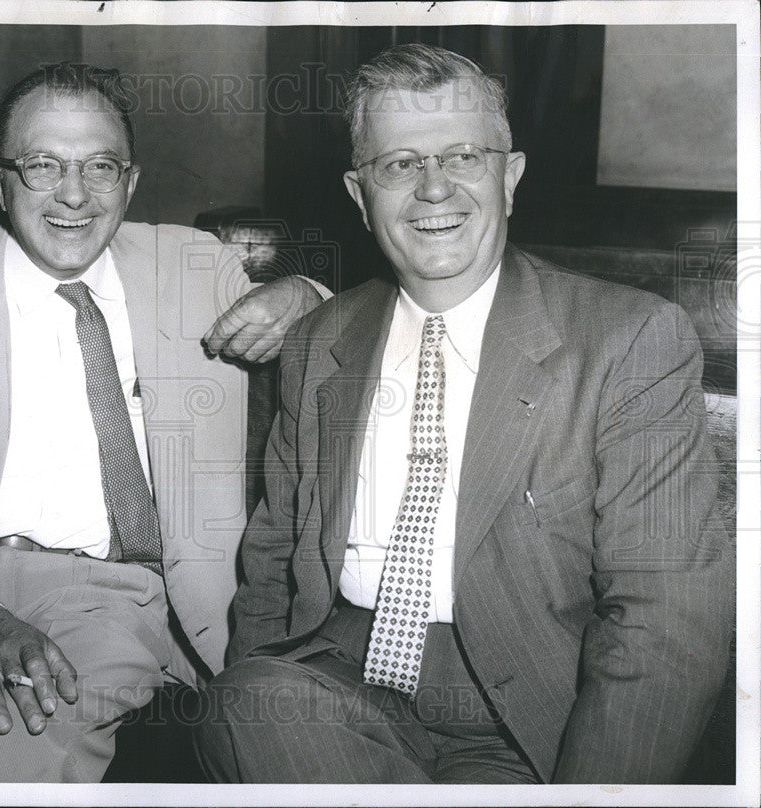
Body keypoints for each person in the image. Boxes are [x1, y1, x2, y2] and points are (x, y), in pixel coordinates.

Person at [194, 43, 734, 784]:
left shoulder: (627, 340)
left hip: (525, 716)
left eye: (463, 158)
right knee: (245, 703)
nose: (434, 190)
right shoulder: (321, 340)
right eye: (400, 164)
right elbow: (271, 562)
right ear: (361, 194)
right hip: (337, 681)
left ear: (509, 177)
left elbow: (668, 618)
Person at [0, 62, 323, 782]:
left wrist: (304, 293)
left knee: (9, 741)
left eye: (100, 166)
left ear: (129, 182)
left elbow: (341, 322)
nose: (74, 195)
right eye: (43, 165)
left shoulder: (194, 265)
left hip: (109, 591)